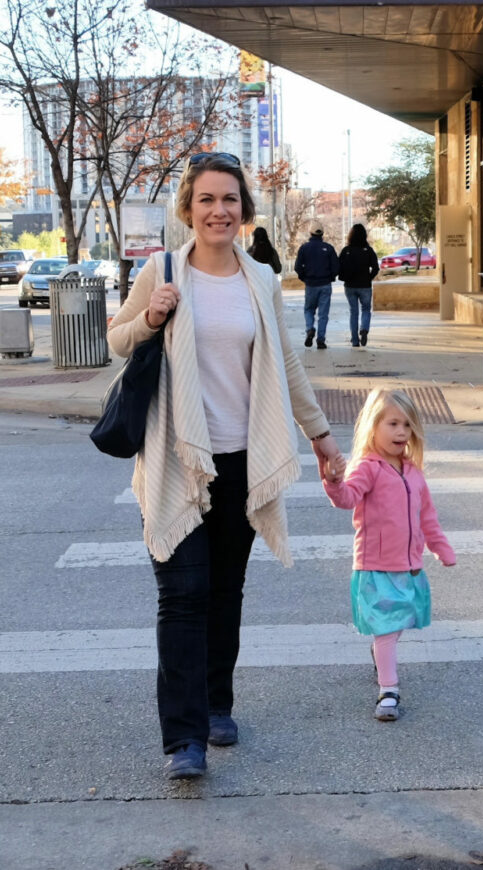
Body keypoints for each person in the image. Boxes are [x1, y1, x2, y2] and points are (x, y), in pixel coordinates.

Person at [106, 151, 346, 782]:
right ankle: (183, 738)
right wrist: (152, 316)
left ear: (244, 210)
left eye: (230, 200)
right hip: (177, 457)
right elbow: (116, 338)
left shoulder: (260, 277)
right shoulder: (159, 270)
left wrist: (320, 437)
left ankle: (217, 704)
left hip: (242, 458)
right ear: (188, 208)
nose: (219, 210)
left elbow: (286, 366)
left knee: (223, 593)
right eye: (207, 199)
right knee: (182, 595)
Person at [322, 389, 454, 721]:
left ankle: (382, 655)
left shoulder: (413, 472)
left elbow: (428, 517)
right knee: (387, 628)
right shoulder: (367, 467)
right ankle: (389, 691)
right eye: (393, 423)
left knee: (394, 628)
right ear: (373, 426)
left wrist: (440, 547)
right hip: (376, 567)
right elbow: (347, 498)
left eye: (407, 425)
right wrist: (334, 480)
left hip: (408, 566)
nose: (401, 432)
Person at [293, 227, 339, 349]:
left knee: (309, 310)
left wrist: (304, 278)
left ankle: (309, 329)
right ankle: (321, 340)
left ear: (310, 233)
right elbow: (336, 266)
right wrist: (331, 277)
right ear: (322, 234)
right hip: (325, 284)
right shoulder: (329, 248)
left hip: (311, 284)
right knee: (323, 315)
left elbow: (297, 266)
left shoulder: (304, 248)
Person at [337, 224, 380, 347]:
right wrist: (368, 278)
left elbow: (339, 267)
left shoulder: (346, 250)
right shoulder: (368, 250)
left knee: (353, 312)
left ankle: (355, 340)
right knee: (366, 309)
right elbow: (376, 268)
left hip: (350, 286)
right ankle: (364, 329)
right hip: (365, 286)